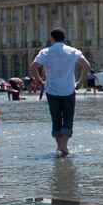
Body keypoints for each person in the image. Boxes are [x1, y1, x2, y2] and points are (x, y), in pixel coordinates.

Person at [29, 28, 90, 156]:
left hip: (52, 90)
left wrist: (40, 81)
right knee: (68, 118)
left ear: (52, 38)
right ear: (64, 38)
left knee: (56, 118)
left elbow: (33, 67)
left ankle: (59, 146)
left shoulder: (45, 52)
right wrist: (80, 82)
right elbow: (87, 66)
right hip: (69, 90)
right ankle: (64, 146)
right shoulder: (73, 51)